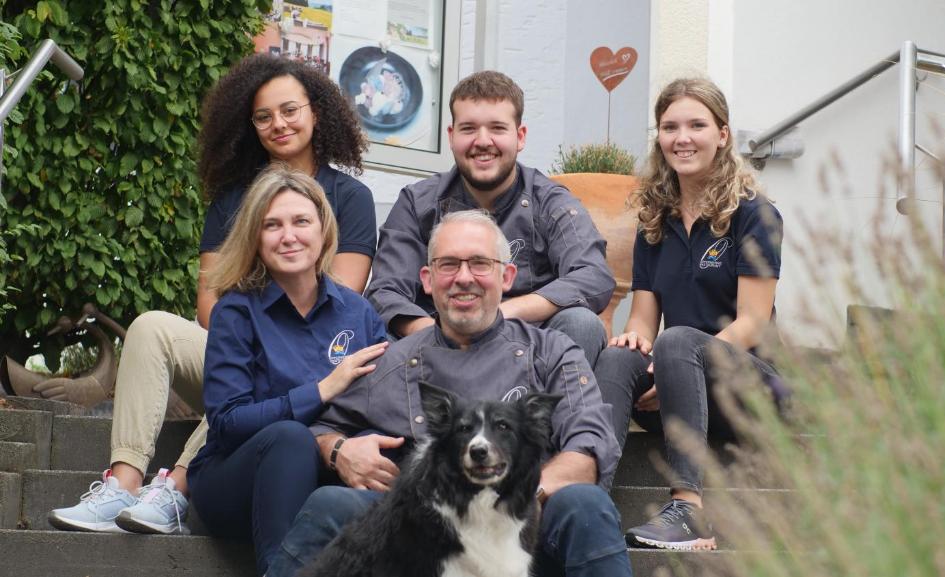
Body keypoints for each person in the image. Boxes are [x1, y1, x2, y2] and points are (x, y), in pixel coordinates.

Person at [48, 53, 376, 536]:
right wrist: (248, 331)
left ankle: (177, 489)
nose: (277, 124)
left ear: (317, 112)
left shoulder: (350, 197)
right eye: (262, 117)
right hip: (236, 346)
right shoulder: (231, 201)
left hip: (320, 361)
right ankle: (123, 483)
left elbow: (341, 299)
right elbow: (209, 304)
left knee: (264, 372)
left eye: (290, 110)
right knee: (152, 326)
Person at [266, 210, 632, 577]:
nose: (463, 278)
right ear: (427, 280)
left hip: (520, 529)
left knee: (586, 503)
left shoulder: (552, 352)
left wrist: (515, 498)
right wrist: (340, 450)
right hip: (430, 533)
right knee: (330, 503)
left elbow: (587, 446)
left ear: (506, 277)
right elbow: (320, 428)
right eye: (448, 265)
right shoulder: (392, 361)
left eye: (479, 264)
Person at [593, 78, 783, 551]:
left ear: (723, 135)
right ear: (659, 136)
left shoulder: (755, 214)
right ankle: (589, 502)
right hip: (678, 395)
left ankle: (688, 511)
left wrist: (676, 363)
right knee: (618, 357)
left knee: (677, 340)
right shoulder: (655, 219)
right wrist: (635, 342)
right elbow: (642, 318)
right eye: (670, 126)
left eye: (697, 125)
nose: (683, 137)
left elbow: (754, 321)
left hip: (749, 394)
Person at [187, 164, 388, 575]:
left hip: (326, 478)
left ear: (323, 230)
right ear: (255, 238)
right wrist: (322, 389)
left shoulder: (357, 312)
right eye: (272, 225)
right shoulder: (236, 311)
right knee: (289, 439)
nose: (289, 236)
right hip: (236, 480)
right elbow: (227, 422)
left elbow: (382, 398)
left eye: (301, 221)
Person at [365, 71, 614, 368]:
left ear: (519, 137)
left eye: (497, 128)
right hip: (437, 351)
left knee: (582, 323)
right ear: (451, 135)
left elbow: (593, 275)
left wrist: (499, 316)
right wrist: (437, 333)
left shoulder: (551, 201)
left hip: (527, 351)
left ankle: (546, 416)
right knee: (376, 338)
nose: (483, 141)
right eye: (469, 128)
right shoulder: (417, 203)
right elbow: (385, 291)